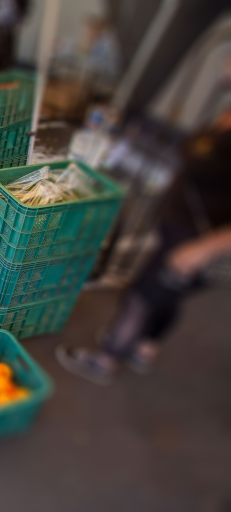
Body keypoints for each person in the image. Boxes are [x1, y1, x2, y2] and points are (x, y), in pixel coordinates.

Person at [56, 110, 231, 385]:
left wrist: (204, 249)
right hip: (185, 231)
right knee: (170, 293)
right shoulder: (223, 118)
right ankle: (144, 348)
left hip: (197, 242)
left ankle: (107, 359)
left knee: (141, 297)